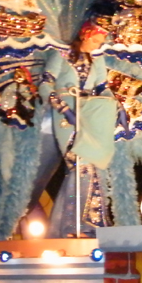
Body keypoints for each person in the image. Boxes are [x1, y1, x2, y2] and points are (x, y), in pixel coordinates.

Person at [43, 12, 120, 238]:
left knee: (91, 167)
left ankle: (87, 223)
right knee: (81, 164)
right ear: (85, 34)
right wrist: (62, 108)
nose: (98, 45)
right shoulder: (62, 55)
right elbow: (46, 84)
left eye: (101, 42)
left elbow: (101, 88)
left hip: (89, 115)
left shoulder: (97, 60)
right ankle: (73, 225)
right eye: (96, 40)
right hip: (66, 116)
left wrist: (118, 107)